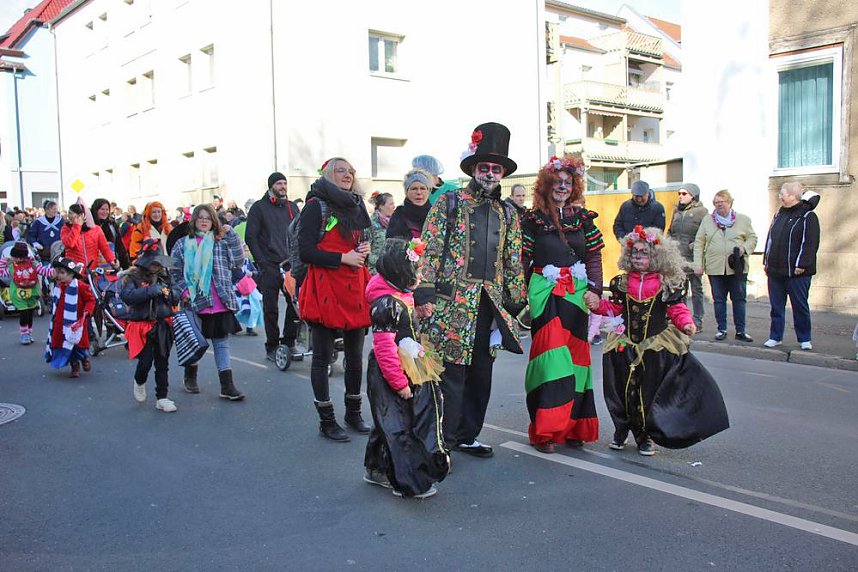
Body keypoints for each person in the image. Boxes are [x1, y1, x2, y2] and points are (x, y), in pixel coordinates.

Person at [420, 122, 527, 458]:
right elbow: (430, 248)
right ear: (474, 169)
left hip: (489, 305)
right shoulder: (448, 203)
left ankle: (468, 435)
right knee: (451, 374)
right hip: (451, 304)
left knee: (481, 373)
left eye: (496, 169)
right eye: (485, 167)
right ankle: (443, 439)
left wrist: (517, 304)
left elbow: (513, 260)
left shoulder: (508, 212)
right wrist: (424, 292)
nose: (490, 173)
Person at [585, 226, 730, 456]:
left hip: (655, 346)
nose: (638, 257)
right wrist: (598, 305)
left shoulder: (666, 284)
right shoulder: (622, 283)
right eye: (634, 253)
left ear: (655, 256)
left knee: (647, 394)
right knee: (621, 391)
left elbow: (676, 309)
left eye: (643, 253)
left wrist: (686, 323)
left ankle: (645, 437)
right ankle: (621, 430)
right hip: (625, 343)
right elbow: (616, 308)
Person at [520, 155, 604, 453]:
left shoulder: (583, 219)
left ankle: (572, 426)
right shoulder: (532, 220)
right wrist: (519, 298)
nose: (563, 187)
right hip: (545, 293)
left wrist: (596, 289)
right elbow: (522, 261)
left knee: (577, 362)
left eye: (568, 183)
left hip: (577, 296)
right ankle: (546, 429)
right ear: (546, 186)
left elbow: (593, 256)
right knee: (551, 360)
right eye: (557, 183)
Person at [363, 238, 449, 499]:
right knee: (399, 426)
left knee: (386, 423)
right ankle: (409, 481)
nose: (421, 276)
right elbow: (385, 349)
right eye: (417, 271)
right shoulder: (387, 304)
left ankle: (376, 468)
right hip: (390, 373)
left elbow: (403, 327)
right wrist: (399, 383)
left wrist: (418, 313)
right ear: (401, 272)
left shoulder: (399, 294)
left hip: (405, 366)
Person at [298, 157, 372, 442]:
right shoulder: (316, 205)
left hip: (353, 285)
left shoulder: (356, 203)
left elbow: (360, 240)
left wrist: (362, 249)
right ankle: (326, 420)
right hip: (325, 286)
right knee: (322, 356)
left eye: (351, 170)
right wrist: (343, 257)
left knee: (355, 356)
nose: (348, 174)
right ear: (328, 175)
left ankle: (353, 413)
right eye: (341, 170)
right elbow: (305, 251)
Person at [170, 204, 246, 401]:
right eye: (200, 217)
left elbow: (238, 261)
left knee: (221, 343)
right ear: (194, 220)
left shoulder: (221, 243)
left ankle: (227, 385)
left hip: (219, 299)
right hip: (194, 300)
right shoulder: (182, 244)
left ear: (213, 221)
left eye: (208, 218)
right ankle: (191, 376)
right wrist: (184, 291)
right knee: (195, 341)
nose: (204, 221)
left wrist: (232, 236)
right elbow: (175, 272)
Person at [245, 172, 303, 361]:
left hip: (290, 264)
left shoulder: (292, 207)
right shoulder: (259, 208)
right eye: (279, 183)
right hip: (269, 265)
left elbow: (300, 232)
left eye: (285, 183)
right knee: (270, 307)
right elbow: (251, 237)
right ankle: (272, 345)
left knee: (294, 305)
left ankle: (288, 342)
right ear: (271, 186)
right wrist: (261, 262)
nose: (283, 186)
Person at [121, 238, 181, 413]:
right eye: (154, 262)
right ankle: (139, 380)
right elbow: (128, 296)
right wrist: (149, 291)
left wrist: (170, 294)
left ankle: (162, 397)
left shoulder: (165, 276)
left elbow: (176, 292)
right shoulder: (133, 276)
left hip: (163, 324)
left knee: (163, 362)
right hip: (143, 326)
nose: (157, 266)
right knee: (145, 362)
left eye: (159, 262)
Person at [693, 190, 757, 342]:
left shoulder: (743, 220)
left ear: (730, 203)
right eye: (716, 202)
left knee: (739, 299)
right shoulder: (707, 220)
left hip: (737, 268)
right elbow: (699, 242)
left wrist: (744, 249)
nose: (719, 205)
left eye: (722, 202)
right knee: (719, 300)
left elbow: (752, 238)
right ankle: (721, 329)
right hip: (715, 267)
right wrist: (698, 264)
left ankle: (740, 331)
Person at [762, 183, 821, 351]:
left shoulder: (807, 216)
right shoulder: (779, 214)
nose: (779, 196)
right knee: (776, 306)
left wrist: (802, 264)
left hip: (797, 273)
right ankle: (775, 336)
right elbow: (771, 239)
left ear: (793, 196)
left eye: (782, 193)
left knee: (800, 305)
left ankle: (804, 338)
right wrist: (766, 261)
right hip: (775, 270)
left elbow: (810, 243)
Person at [45, 257, 95, 378]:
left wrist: (87, 311)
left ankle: (84, 358)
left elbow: (90, 300)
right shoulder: (58, 287)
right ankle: (74, 365)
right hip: (60, 322)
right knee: (66, 344)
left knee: (78, 344)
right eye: (58, 272)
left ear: (71, 274)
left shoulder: (81, 287)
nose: (59, 276)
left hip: (76, 323)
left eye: (62, 273)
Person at [667, 183, 708, 331]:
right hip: (677, 258)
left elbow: (705, 234)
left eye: (684, 194)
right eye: (679, 193)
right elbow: (671, 230)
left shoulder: (702, 212)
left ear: (693, 196)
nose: (680, 196)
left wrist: (695, 245)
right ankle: (683, 320)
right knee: (679, 290)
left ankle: (697, 320)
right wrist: (667, 244)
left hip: (692, 258)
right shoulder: (676, 211)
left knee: (696, 290)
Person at [0, 242, 53, 344]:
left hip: (32, 293)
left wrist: (54, 272)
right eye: (14, 257)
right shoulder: (12, 267)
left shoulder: (33, 264)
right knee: (24, 313)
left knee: (29, 313)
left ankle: (28, 333)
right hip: (18, 294)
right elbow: (2, 273)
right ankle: (24, 334)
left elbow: (43, 271)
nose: (16, 259)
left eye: (19, 257)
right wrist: (3, 261)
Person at [61, 201, 118, 272]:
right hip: (73, 271)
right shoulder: (66, 228)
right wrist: (77, 226)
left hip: (92, 271)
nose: (69, 216)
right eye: (69, 213)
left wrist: (112, 260)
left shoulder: (96, 229)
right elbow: (70, 244)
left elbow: (104, 248)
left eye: (71, 213)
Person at [386, 169, 432, 241]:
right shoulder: (399, 215)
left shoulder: (435, 214)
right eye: (414, 189)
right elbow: (392, 246)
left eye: (423, 188)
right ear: (406, 192)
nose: (419, 192)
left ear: (428, 191)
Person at [91, 198, 131, 270]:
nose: (105, 212)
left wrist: (126, 266)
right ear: (95, 210)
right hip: (93, 266)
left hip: (111, 265)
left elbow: (119, 245)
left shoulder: (111, 225)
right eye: (102, 209)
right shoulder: (88, 226)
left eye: (107, 209)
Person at [367, 191, 395, 273]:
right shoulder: (370, 224)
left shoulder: (393, 222)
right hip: (375, 271)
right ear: (381, 206)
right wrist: (381, 262)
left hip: (390, 271)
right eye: (391, 204)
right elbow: (366, 251)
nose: (394, 207)